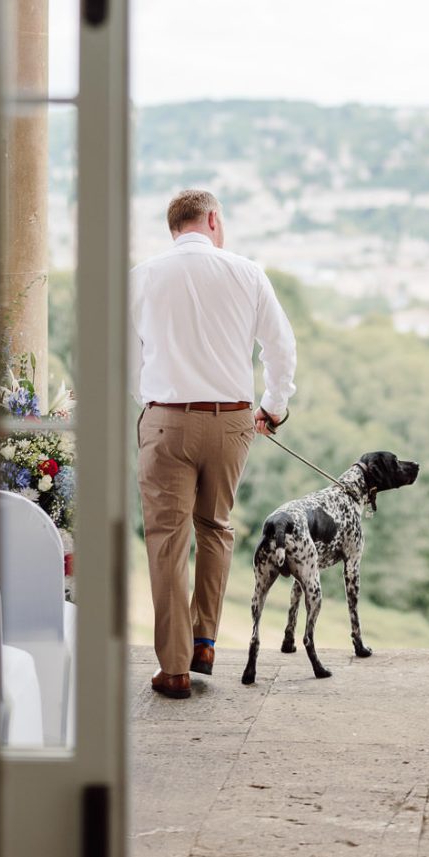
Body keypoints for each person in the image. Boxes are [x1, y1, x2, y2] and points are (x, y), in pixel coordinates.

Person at [130, 188, 297, 699]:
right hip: (232, 424)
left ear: (174, 228)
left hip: (165, 423)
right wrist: (274, 406)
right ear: (213, 220)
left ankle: (175, 668)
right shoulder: (247, 273)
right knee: (216, 527)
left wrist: (147, 404)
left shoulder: (143, 276)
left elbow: (120, 356)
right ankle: (205, 639)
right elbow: (280, 348)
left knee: (166, 541)